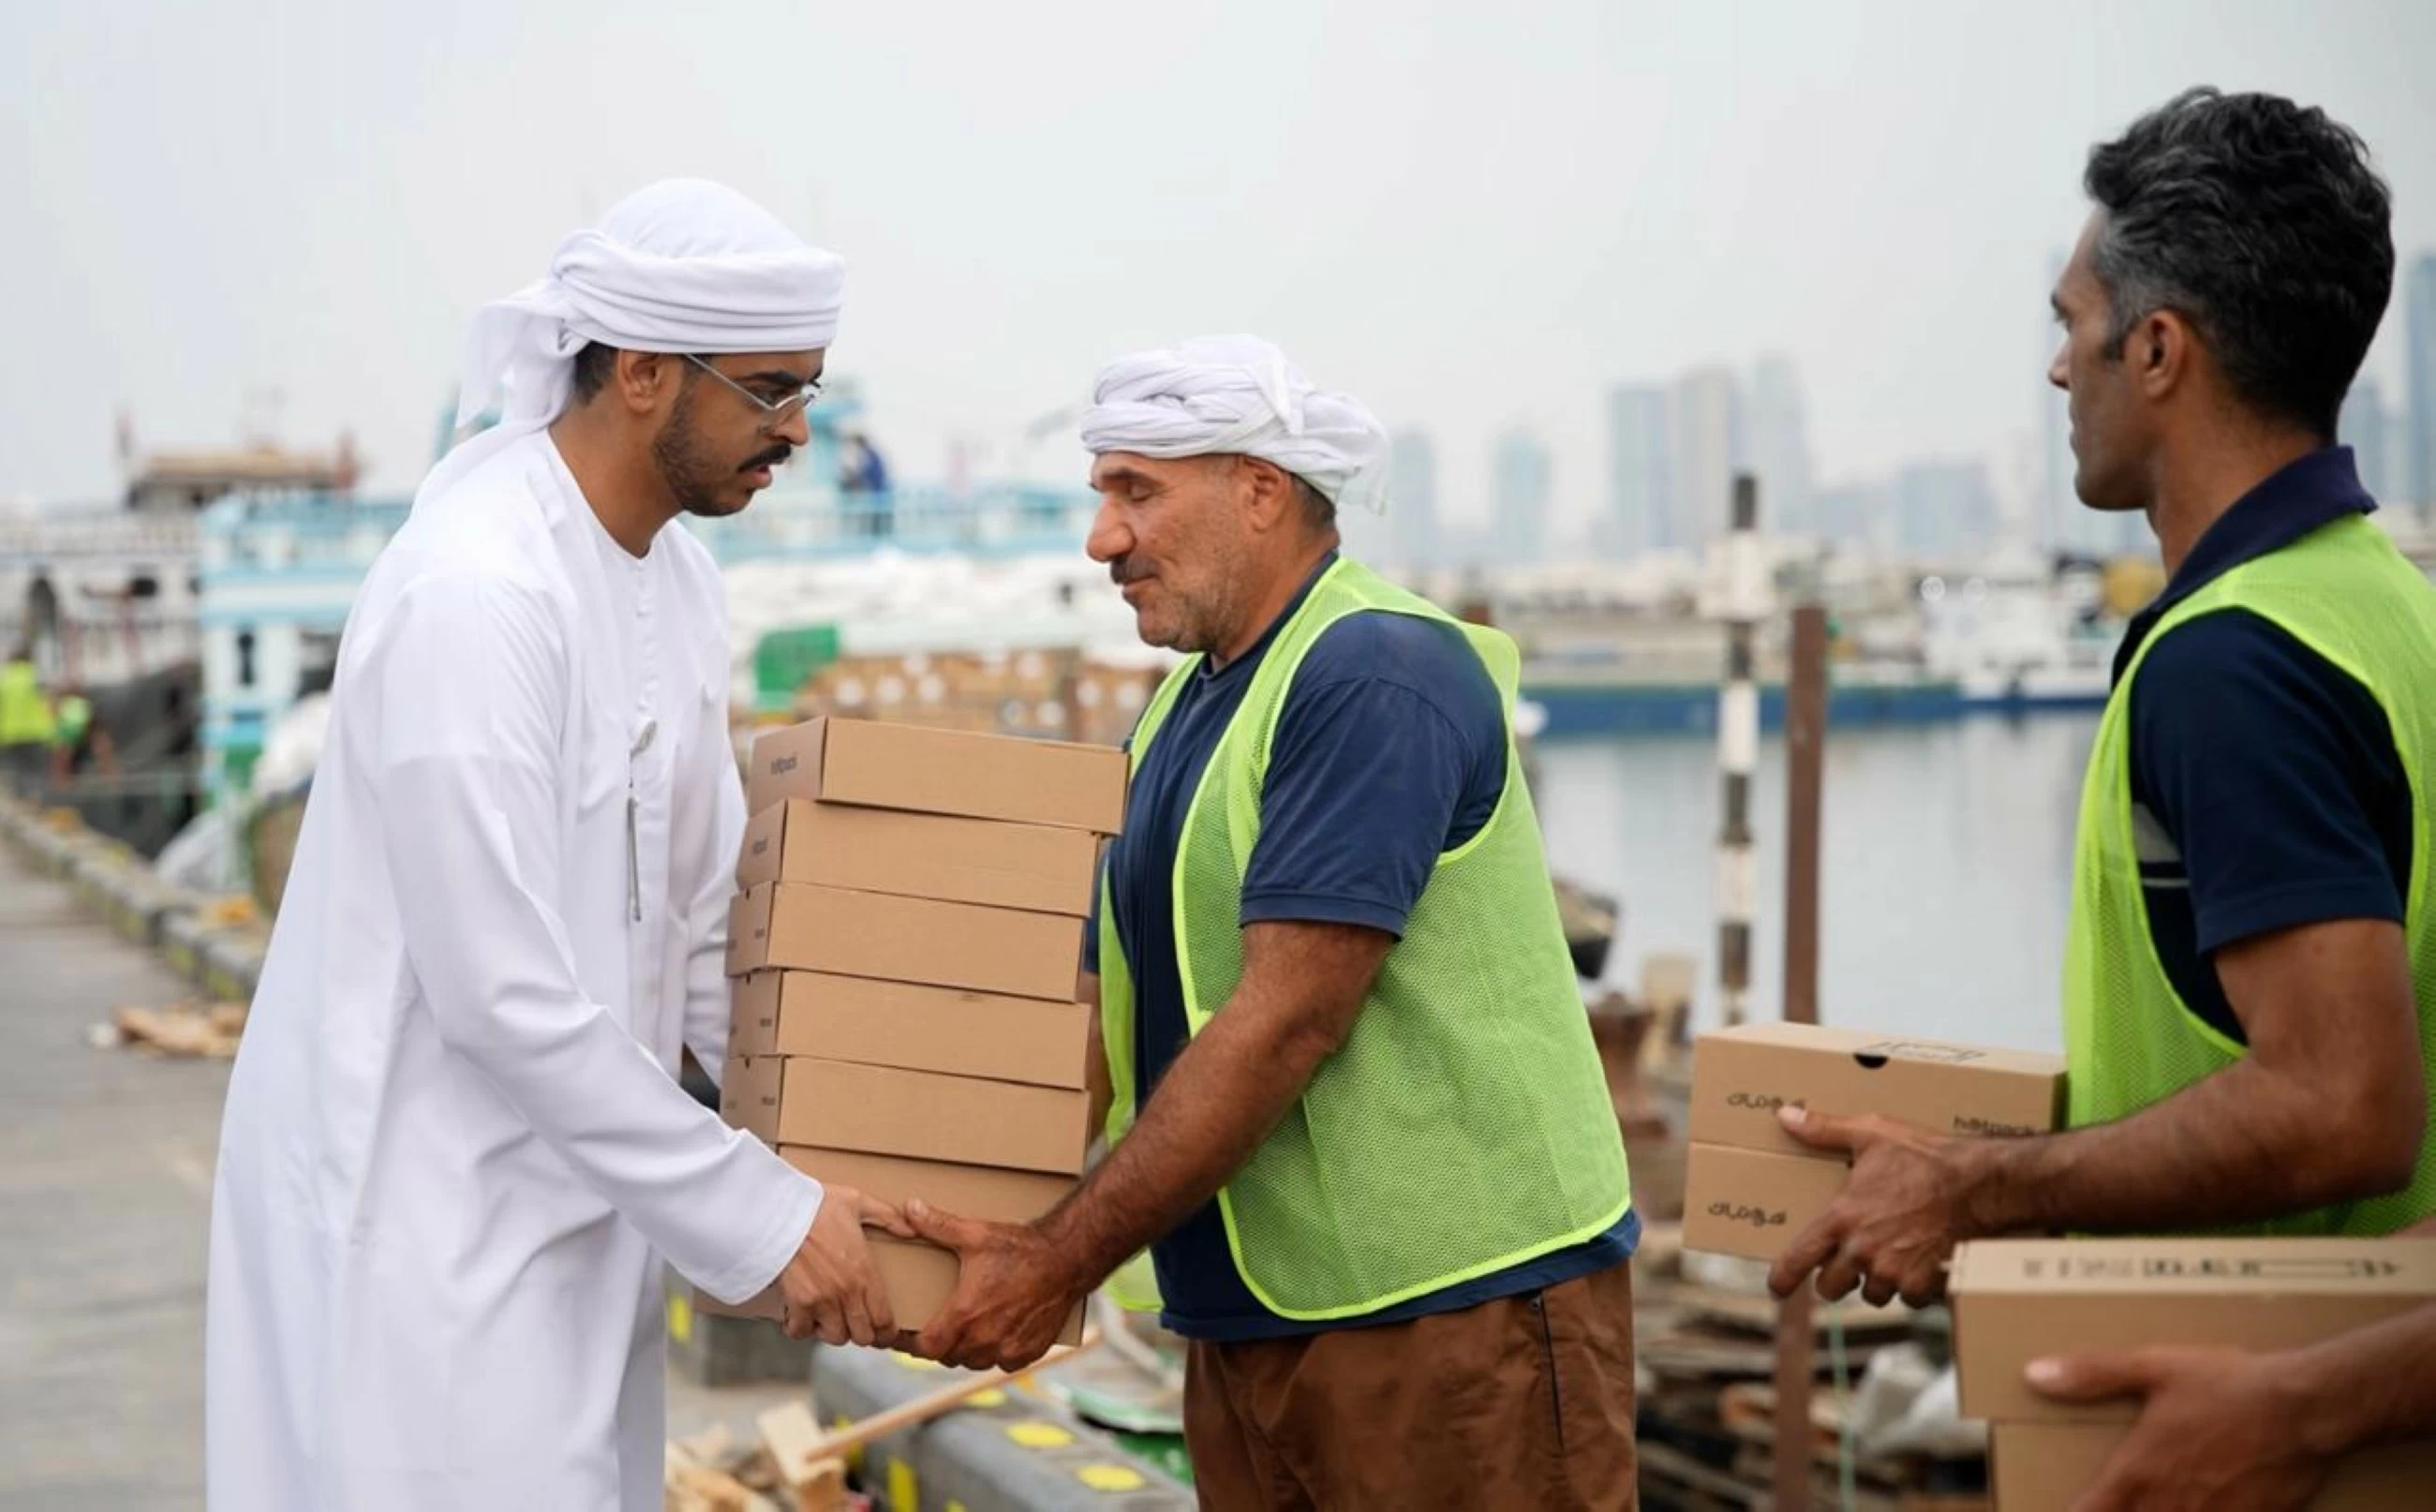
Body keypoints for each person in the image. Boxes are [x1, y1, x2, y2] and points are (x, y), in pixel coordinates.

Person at [206, 180, 908, 1512]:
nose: (799, 432)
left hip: (588, 1212)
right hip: (420, 1229)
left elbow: (709, 926)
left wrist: (836, 1165)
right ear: (643, 371)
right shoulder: (478, 590)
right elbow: (499, 992)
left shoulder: (677, 582)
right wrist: (760, 1218)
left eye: (810, 390)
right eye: (770, 392)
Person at [901, 335, 1641, 1509]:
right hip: (1254, 1317)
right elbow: (1098, 1006)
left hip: (1450, 1320)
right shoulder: (1184, 710)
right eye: (1099, 494)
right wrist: (932, 1222)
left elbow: (1288, 1020)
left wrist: (1054, 1261)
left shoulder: (1370, 674)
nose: (1101, 539)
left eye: (1135, 490)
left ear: (1260, 489)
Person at [1767, 88, 2434, 1312]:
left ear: (2161, 350)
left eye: (2076, 323)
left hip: (2262, 1400)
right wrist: (1966, 1147)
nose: (2059, 363)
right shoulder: (2387, 605)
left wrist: (1971, 1191)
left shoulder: (2235, 660)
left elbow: (2345, 1106)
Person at [0, 643, 55, 791]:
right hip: (35, 733)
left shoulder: (5, 679)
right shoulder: (35, 675)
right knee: (37, 773)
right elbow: (50, 702)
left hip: (10, 734)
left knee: (18, 773)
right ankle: (36, 804)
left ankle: (23, 803)